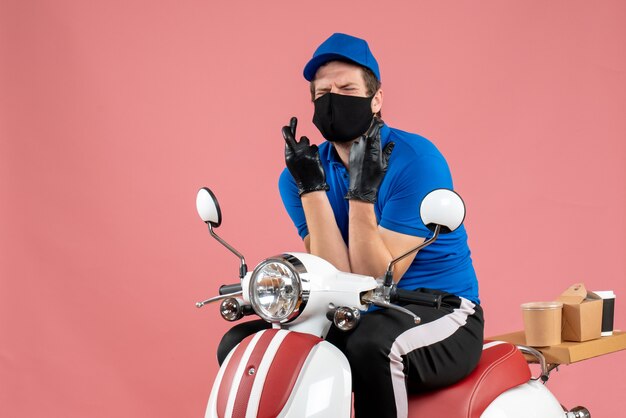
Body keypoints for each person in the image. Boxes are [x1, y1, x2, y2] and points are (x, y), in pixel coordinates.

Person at [218, 33, 484, 418]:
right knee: (242, 343)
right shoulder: (300, 172)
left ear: (375, 100)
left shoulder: (416, 160)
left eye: (346, 88)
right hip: (354, 313)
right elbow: (335, 275)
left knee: (369, 345)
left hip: (442, 313)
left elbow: (374, 277)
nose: (333, 100)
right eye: (322, 92)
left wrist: (361, 194)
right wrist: (311, 187)